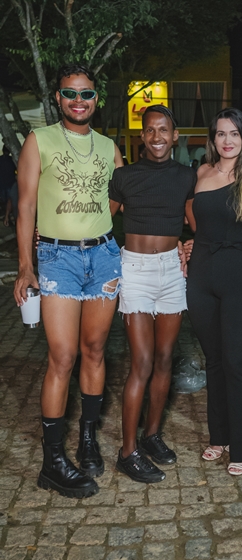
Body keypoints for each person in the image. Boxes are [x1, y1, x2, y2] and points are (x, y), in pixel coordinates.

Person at [14, 63, 124, 498]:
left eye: (86, 94)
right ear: (58, 98)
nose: (79, 101)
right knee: (62, 357)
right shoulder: (38, 140)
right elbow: (25, 207)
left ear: (97, 99)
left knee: (94, 350)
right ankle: (53, 461)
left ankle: (88, 439)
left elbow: (119, 196)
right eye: (70, 94)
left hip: (104, 257)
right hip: (56, 258)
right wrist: (26, 266)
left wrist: (94, 224)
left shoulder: (109, 147)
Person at [108, 105, 196, 482]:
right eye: (149, 130)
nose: (156, 136)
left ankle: (151, 435)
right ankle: (127, 452)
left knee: (163, 358)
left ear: (175, 136)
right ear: (141, 136)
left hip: (172, 272)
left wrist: (194, 243)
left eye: (163, 130)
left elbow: (197, 223)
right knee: (142, 361)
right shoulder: (124, 176)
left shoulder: (187, 177)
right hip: (135, 271)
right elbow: (100, 221)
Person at [186, 108, 242, 476]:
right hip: (200, 276)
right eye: (221, 133)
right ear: (213, 138)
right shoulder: (201, 173)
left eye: (234, 134)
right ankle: (219, 436)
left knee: (235, 362)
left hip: (239, 276)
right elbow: (189, 220)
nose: (227, 140)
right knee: (214, 360)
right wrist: (183, 244)